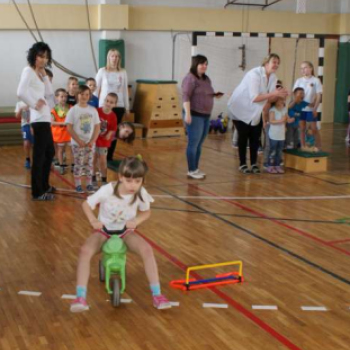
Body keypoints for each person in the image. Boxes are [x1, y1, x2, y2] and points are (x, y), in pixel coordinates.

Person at [70, 157, 172, 313]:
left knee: (147, 250)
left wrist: (137, 220)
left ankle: (157, 295)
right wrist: (93, 220)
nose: (133, 185)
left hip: (126, 232)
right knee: (85, 251)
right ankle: (80, 297)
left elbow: (146, 211)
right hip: (103, 230)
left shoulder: (141, 192)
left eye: (137, 181)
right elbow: (86, 204)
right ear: (120, 177)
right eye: (129, 181)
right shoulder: (108, 190)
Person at [227, 54, 288, 174]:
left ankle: (254, 164)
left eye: (278, 62)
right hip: (239, 109)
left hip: (255, 110)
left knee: (255, 136)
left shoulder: (273, 77)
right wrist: (273, 94)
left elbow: (269, 100)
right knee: (244, 136)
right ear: (266, 64)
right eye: (274, 62)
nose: (276, 65)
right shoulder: (254, 74)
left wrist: (280, 95)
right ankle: (243, 164)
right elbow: (254, 98)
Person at [17, 41, 56, 201]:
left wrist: (45, 76)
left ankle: (45, 185)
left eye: (46, 57)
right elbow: (20, 92)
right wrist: (34, 104)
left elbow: (50, 95)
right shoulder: (28, 71)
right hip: (38, 120)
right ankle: (37, 191)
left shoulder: (39, 74)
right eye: (41, 56)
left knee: (49, 152)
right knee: (40, 155)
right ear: (34, 56)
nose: (43, 60)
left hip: (45, 119)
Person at [182, 54, 223, 179]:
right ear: (195, 64)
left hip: (206, 115)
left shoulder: (206, 79)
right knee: (193, 143)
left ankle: (196, 168)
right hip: (195, 115)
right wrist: (187, 114)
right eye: (202, 64)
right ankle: (191, 169)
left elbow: (206, 93)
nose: (205, 66)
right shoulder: (190, 78)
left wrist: (215, 95)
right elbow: (186, 96)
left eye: (206, 64)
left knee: (199, 144)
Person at [95, 49, 130, 161]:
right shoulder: (102, 71)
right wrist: (94, 106)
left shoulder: (123, 71)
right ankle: (100, 155)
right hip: (104, 106)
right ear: (108, 58)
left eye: (117, 56)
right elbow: (96, 90)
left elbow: (125, 90)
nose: (115, 58)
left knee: (114, 133)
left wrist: (127, 108)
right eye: (112, 56)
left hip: (118, 106)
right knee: (102, 131)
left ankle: (109, 156)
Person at [66, 85, 100, 194]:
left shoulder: (93, 110)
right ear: (77, 95)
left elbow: (97, 127)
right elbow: (69, 127)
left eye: (87, 94)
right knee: (79, 163)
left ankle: (89, 184)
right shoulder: (73, 110)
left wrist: (92, 141)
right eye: (82, 94)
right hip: (77, 143)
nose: (84, 96)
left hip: (90, 143)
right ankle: (78, 185)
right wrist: (78, 141)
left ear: (89, 96)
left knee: (89, 164)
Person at [293, 61, 323, 150]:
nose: (303, 70)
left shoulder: (316, 80)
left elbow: (318, 95)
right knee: (302, 128)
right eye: (301, 68)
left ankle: (318, 146)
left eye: (305, 67)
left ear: (311, 68)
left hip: (311, 110)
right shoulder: (298, 81)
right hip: (301, 109)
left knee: (314, 128)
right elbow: (295, 95)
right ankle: (303, 145)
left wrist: (315, 108)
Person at [93, 93, 118, 188]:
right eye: (107, 101)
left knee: (103, 161)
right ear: (104, 101)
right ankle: (93, 178)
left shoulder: (113, 116)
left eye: (111, 102)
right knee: (93, 160)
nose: (108, 103)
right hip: (94, 140)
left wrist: (109, 133)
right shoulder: (97, 111)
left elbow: (113, 128)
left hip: (103, 142)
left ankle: (104, 179)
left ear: (115, 104)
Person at [51, 88, 71, 175]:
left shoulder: (70, 107)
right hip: (59, 134)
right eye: (61, 96)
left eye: (65, 96)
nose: (64, 98)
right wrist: (63, 123)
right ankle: (61, 165)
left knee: (71, 149)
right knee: (60, 149)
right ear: (56, 97)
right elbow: (52, 122)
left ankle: (74, 165)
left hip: (69, 133)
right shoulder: (54, 110)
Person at [267, 98, 289, 174]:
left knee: (279, 151)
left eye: (283, 100)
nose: (282, 101)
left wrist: (287, 122)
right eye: (280, 100)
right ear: (275, 101)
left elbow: (286, 119)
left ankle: (277, 165)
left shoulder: (284, 109)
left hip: (281, 134)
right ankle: (270, 166)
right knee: (273, 151)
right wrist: (281, 120)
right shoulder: (272, 110)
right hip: (274, 134)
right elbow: (271, 121)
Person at [15, 101, 33, 169]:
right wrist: (21, 109)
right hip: (25, 125)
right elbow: (17, 116)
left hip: (35, 124)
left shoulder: (34, 101)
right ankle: (27, 159)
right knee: (26, 143)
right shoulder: (19, 103)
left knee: (37, 144)